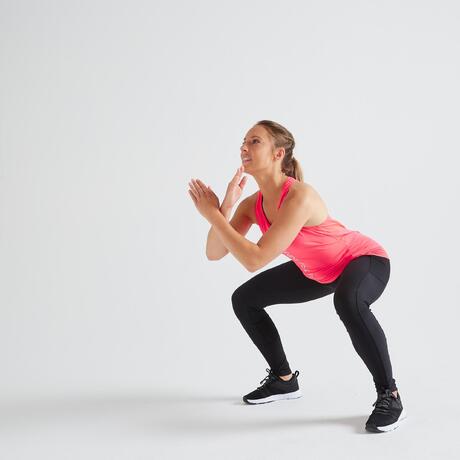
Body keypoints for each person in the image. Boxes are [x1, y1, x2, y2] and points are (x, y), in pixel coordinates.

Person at [188, 119, 407, 433]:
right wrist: (225, 207)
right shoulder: (252, 205)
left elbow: (254, 259)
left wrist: (211, 215)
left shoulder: (299, 196)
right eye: (243, 142)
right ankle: (283, 380)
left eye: (254, 141)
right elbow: (214, 252)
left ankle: (390, 395)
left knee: (348, 302)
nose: (244, 147)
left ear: (278, 154)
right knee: (245, 299)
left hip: (363, 260)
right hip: (317, 271)